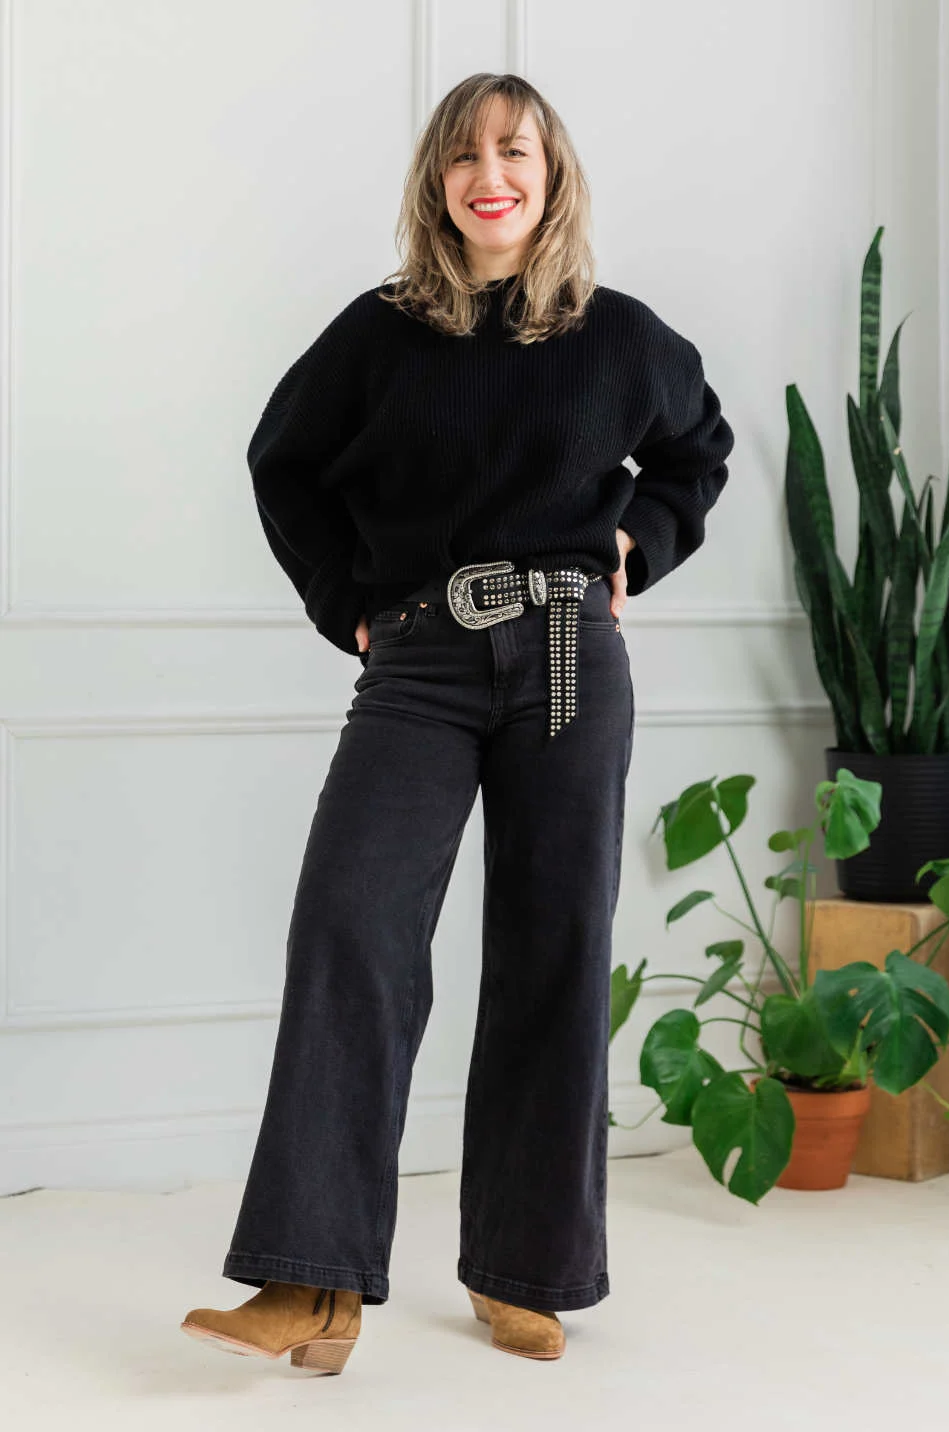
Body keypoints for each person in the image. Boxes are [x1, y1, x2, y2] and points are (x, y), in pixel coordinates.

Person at [180, 71, 734, 1374]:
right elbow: (282, 462)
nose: (492, 175)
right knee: (353, 920)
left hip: (561, 654)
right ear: (438, 182)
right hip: (421, 655)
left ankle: (525, 1271)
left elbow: (697, 451)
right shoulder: (380, 335)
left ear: (553, 176)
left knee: (552, 945)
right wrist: (346, 603)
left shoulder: (620, 336)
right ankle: (311, 1284)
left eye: (517, 153)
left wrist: (633, 547)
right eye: (467, 155)